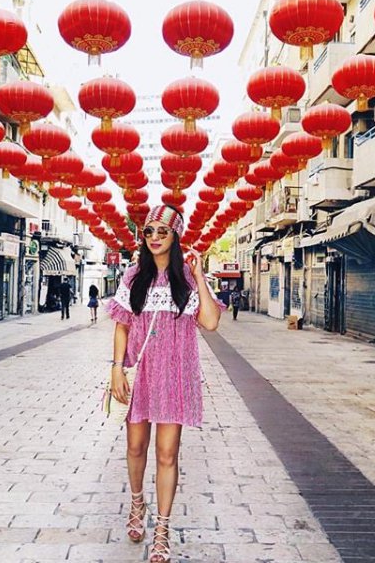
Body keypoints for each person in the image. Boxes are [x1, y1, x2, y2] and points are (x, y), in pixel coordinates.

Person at [106, 204, 223, 562]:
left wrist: (200, 275)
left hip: (175, 376)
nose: (155, 237)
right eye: (150, 231)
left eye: (163, 232)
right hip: (140, 375)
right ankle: (137, 503)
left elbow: (211, 322)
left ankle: (162, 529)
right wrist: (115, 369)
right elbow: (122, 325)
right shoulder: (133, 276)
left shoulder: (186, 279)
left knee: (167, 454)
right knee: (136, 448)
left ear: (175, 236)